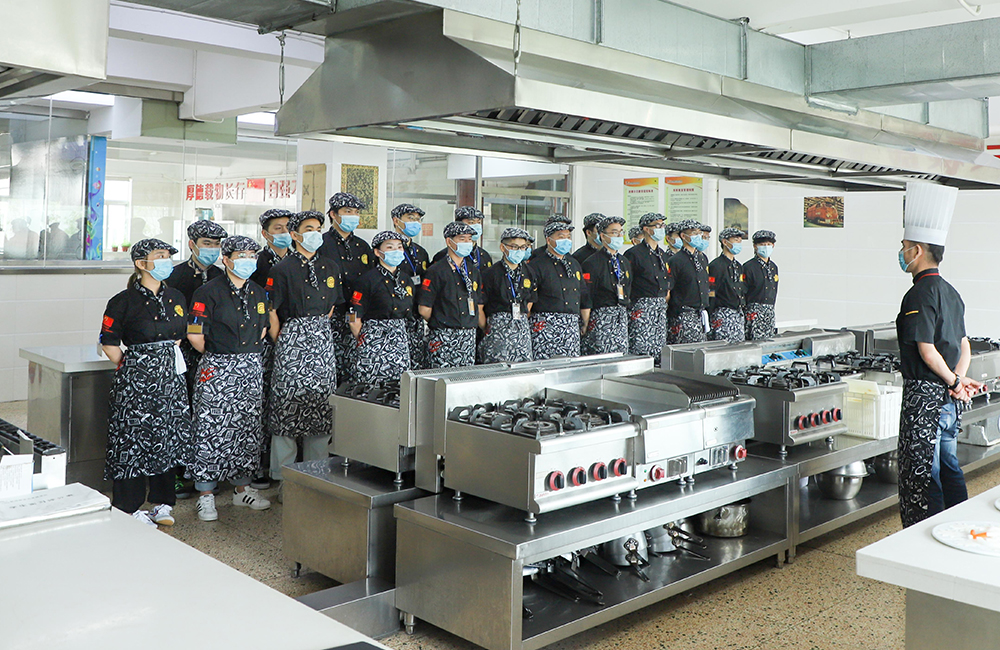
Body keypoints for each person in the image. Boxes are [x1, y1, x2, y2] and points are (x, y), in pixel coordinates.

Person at [895, 182, 980, 527]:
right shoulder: (951, 291)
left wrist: (954, 381)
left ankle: (923, 538)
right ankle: (959, 527)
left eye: (904, 247)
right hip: (947, 400)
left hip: (924, 399)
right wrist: (956, 381)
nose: (901, 253)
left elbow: (927, 351)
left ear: (917, 250)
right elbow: (964, 345)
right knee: (949, 465)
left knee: (922, 474)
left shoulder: (919, 294)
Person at [99, 238, 193, 527]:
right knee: (133, 439)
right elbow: (109, 344)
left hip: (170, 381)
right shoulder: (122, 301)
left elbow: (180, 335)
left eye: (168, 256)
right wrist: (136, 367)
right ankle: (129, 507)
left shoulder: (176, 296)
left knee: (167, 436)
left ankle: (163, 503)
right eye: (160, 256)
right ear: (141, 264)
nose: (166, 261)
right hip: (136, 382)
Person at [186, 236, 271, 522]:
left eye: (252, 255)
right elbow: (195, 334)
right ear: (226, 259)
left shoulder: (258, 292)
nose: (248, 260)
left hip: (250, 366)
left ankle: (242, 489)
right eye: (241, 255)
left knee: (246, 428)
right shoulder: (207, 292)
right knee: (210, 428)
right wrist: (219, 357)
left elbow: (262, 329)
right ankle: (206, 495)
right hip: (218, 365)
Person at [267, 210, 344, 483]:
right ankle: (283, 478)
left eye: (318, 228)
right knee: (287, 407)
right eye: (308, 229)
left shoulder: (330, 267)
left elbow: (333, 305)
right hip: (292, 339)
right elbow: (271, 311)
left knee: (321, 408)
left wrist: (317, 329)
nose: (315, 233)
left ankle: (317, 476)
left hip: (322, 340)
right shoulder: (281, 269)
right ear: (295, 234)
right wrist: (284, 340)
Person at [249, 208, 293, 489]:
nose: (285, 232)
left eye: (288, 227)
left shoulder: (298, 260)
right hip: (265, 339)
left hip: (295, 341)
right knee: (263, 400)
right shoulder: (257, 263)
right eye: (278, 228)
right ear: (265, 234)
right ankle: (258, 464)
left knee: (284, 401)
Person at [317, 192, 373, 384]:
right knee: (330, 369)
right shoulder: (321, 244)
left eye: (356, 212)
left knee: (355, 369)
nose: (353, 216)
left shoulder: (362, 246)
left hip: (357, 316)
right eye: (348, 211)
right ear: (333, 214)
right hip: (331, 316)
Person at [349, 231, 415, 383]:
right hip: (374, 341)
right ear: (377, 252)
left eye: (399, 247)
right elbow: (352, 315)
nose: (396, 251)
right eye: (390, 247)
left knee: (400, 388)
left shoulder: (406, 279)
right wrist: (364, 339)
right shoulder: (367, 280)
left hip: (399, 343)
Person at [418, 221, 484, 368]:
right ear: (449, 241)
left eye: (469, 239)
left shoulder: (473, 271)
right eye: (462, 239)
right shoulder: (436, 271)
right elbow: (424, 309)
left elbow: (478, 302)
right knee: (440, 376)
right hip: (444, 335)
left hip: (468, 336)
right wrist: (442, 321)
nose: (467, 243)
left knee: (465, 377)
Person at [526, 221, 590, 360]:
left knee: (570, 367)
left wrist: (585, 322)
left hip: (571, 326)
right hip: (545, 326)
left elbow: (583, 293)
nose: (566, 240)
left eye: (568, 237)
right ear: (549, 240)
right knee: (545, 366)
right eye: (561, 237)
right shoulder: (537, 265)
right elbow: (529, 298)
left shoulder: (574, 264)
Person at [478, 227, 536, 364]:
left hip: (521, 330)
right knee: (497, 368)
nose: (519, 250)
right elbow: (479, 306)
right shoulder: (491, 273)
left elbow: (530, 300)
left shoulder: (529, 272)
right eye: (514, 247)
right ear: (503, 247)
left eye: (523, 247)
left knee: (523, 370)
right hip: (498, 329)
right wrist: (487, 327)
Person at [581, 216, 632, 355]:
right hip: (601, 317)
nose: (619, 236)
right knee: (602, 356)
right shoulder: (592, 263)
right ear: (602, 236)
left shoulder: (624, 262)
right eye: (614, 232)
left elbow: (628, 288)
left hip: (621, 316)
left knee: (621, 356)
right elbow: (587, 295)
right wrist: (585, 322)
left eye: (621, 232)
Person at [624, 213, 672, 359]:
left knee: (659, 348)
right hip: (642, 306)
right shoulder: (634, 254)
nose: (661, 228)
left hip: (660, 306)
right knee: (641, 349)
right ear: (646, 229)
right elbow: (627, 283)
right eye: (657, 226)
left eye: (662, 225)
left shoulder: (662, 255)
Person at [391, 203, 431, 370]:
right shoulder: (388, 250)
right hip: (395, 316)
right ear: (396, 221)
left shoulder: (421, 252)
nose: (415, 222)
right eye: (410, 218)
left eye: (418, 219)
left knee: (417, 363)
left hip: (416, 316)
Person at [666, 219, 711, 344]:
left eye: (699, 233)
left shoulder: (702, 258)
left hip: (700, 313)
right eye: (693, 233)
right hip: (684, 314)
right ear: (683, 236)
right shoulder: (676, 260)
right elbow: (669, 289)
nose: (698, 236)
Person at [708, 228, 747, 343]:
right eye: (735, 240)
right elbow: (711, 292)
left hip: (737, 313)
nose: (738, 243)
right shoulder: (716, 265)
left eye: (740, 241)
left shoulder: (738, 266)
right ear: (725, 242)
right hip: (723, 313)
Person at [431, 207, 493, 271]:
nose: (476, 226)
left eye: (479, 222)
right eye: (471, 222)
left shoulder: (484, 255)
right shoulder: (443, 256)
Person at [743, 230, 779, 340]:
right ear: (755, 246)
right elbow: (743, 292)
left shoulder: (773, 267)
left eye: (769, 244)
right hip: (754, 312)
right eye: (762, 244)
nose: (766, 247)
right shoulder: (748, 267)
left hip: (769, 312)